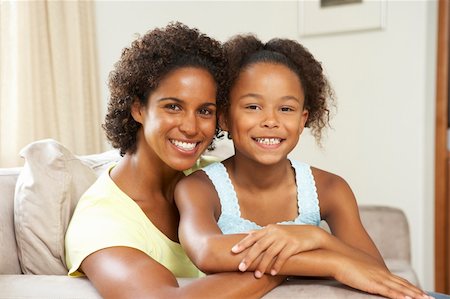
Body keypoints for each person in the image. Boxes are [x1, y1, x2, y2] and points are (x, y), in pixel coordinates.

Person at [174, 34, 431, 299]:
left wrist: (316, 237)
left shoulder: (331, 188)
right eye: (253, 106)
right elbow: (207, 251)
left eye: (286, 109)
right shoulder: (198, 187)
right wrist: (328, 262)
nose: (271, 121)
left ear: (302, 119)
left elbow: (375, 274)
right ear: (225, 117)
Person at [64, 23, 285, 298]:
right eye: (173, 107)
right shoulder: (100, 223)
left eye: (205, 110)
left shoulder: (216, 176)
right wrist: (286, 263)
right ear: (138, 108)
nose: (191, 127)